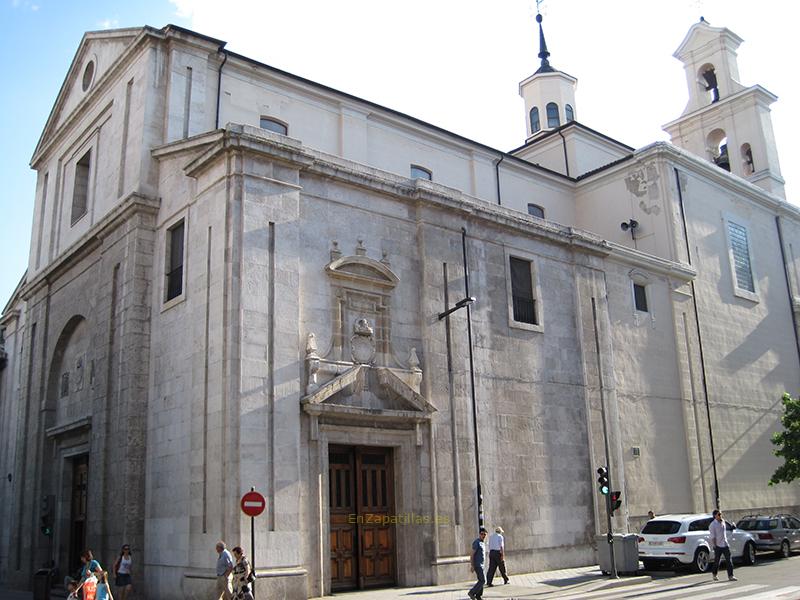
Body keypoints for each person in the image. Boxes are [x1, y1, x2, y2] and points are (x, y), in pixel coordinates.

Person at [709, 509, 737, 582]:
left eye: (721, 514)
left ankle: (731, 575)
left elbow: (728, 529)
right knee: (717, 561)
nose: (720, 515)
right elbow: (713, 536)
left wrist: (732, 527)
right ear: (715, 516)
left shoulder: (723, 521)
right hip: (718, 545)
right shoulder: (712, 525)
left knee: (729, 560)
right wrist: (715, 545)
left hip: (725, 544)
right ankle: (714, 574)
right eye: (719, 514)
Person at [468, 527, 488, 600]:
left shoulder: (482, 543)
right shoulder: (477, 542)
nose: (483, 536)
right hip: (478, 565)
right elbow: (472, 554)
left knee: (481, 580)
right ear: (479, 534)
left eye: (484, 534)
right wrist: (472, 565)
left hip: (482, 565)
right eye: (482, 534)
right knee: (482, 580)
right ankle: (472, 592)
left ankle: (478, 596)